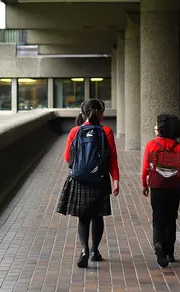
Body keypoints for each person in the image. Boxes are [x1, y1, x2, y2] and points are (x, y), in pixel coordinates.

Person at [56, 99, 120, 268]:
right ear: (100, 113)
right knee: (97, 216)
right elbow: (112, 158)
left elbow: (67, 158)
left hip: (80, 179)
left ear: (83, 113)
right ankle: (94, 251)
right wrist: (116, 180)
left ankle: (84, 249)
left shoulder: (75, 131)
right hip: (99, 179)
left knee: (83, 217)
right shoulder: (106, 131)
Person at [141, 114, 180, 268]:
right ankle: (170, 252)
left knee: (158, 218)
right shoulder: (179, 147)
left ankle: (158, 244)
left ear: (162, 128)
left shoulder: (152, 145)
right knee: (171, 218)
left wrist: (144, 184)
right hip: (174, 186)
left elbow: (145, 167)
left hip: (157, 185)